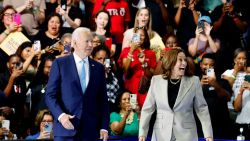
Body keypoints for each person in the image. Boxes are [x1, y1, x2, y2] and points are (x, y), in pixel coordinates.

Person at [45, 27, 109, 141]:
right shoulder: (60, 64)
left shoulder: (98, 68)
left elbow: (103, 100)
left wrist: (104, 127)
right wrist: (61, 116)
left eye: (91, 41)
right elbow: (50, 95)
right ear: (74, 43)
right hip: (66, 129)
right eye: (86, 41)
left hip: (90, 132)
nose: (90, 45)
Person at [138, 48, 213, 141]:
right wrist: (142, 133)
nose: (184, 63)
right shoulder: (156, 81)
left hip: (186, 135)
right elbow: (147, 109)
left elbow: (202, 109)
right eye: (180, 60)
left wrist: (208, 135)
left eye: (185, 60)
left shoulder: (194, 81)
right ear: (171, 62)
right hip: (161, 134)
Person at [118, 27, 157, 108]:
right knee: (133, 111)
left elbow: (152, 75)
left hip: (145, 89)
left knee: (145, 112)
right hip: (131, 89)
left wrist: (144, 64)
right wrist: (131, 50)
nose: (139, 37)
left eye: (142, 35)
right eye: (137, 35)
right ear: (133, 37)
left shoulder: (151, 53)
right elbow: (125, 70)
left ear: (146, 38)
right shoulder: (126, 50)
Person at [198, 53, 234, 139]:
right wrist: (199, 85)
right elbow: (188, 100)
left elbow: (228, 98)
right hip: (200, 126)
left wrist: (215, 84)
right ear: (200, 65)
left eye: (211, 65)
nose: (208, 67)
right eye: (205, 64)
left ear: (215, 66)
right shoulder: (194, 81)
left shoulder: (223, 82)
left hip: (220, 126)